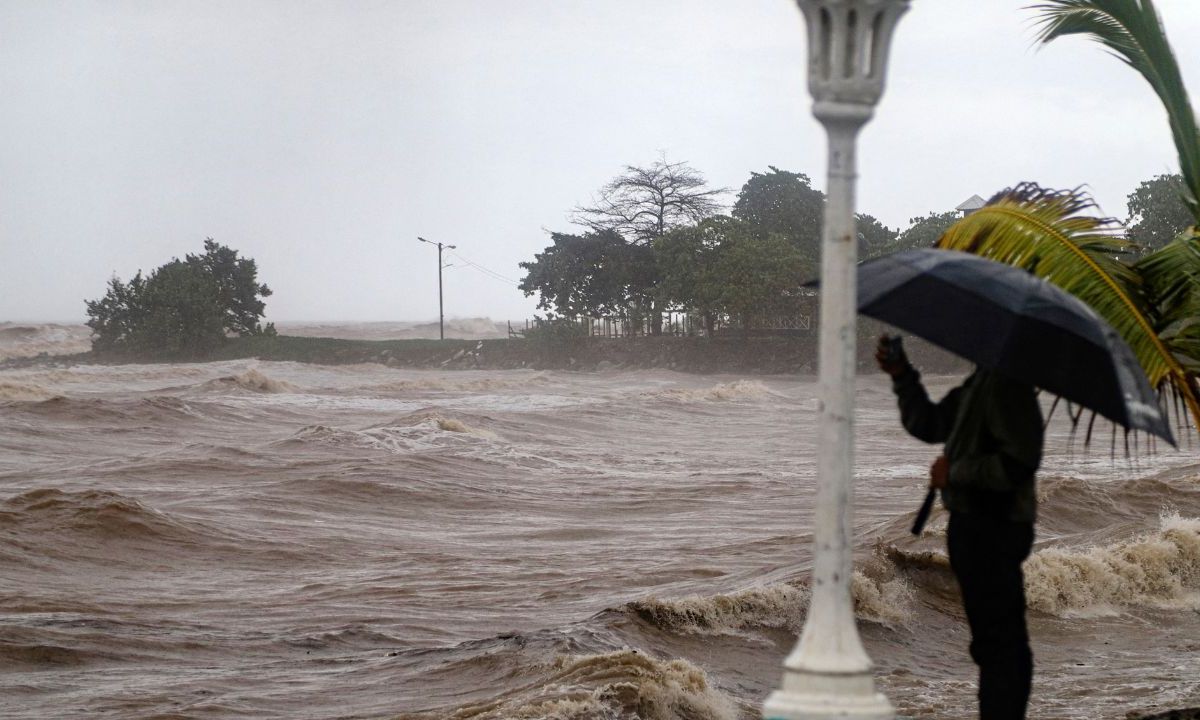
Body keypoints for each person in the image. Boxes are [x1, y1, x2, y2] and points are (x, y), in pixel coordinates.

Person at [876, 335, 1043, 720]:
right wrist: (902, 376)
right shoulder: (981, 384)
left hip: (995, 527)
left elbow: (1020, 462)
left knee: (1001, 643)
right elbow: (931, 424)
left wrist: (957, 472)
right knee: (992, 642)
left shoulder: (1008, 388)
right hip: (974, 524)